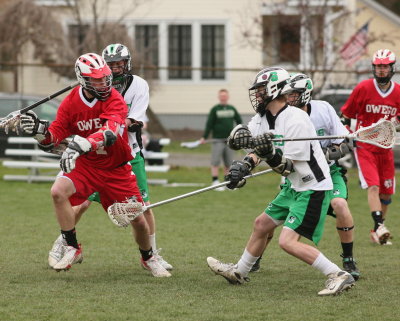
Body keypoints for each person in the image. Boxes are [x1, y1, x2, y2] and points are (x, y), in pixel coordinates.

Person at [19, 52, 171, 277]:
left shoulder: (114, 99)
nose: (103, 83)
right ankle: (72, 246)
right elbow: (56, 134)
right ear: (83, 79)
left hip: (115, 167)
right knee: (58, 192)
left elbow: (110, 132)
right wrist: (40, 133)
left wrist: (84, 143)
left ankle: (148, 257)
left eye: (105, 77)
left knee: (138, 219)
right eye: (96, 79)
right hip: (87, 165)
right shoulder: (71, 101)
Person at [207, 67, 355, 296]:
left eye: (260, 90)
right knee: (261, 225)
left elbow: (288, 167)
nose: (256, 95)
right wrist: (242, 168)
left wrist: (268, 154)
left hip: (312, 186)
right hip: (295, 186)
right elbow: (255, 151)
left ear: (274, 90)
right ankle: (240, 271)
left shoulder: (297, 118)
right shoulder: (261, 118)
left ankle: (338, 274)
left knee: (287, 242)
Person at [250, 73, 359, 280]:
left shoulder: (323, 109)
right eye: (288, 93)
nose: (289, 97)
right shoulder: (281, 114)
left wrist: (328, 153)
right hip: (294, 175)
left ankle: (348, 258)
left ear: (305, 94)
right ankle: (253, 259)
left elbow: (345, 142)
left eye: (294, 94)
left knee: (340, 205)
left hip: (327, 172)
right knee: (271, 217)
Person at [341, 49, 400, 245]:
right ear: (373, 68)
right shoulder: (363, 88)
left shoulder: (398, 91)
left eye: (385, 66)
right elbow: (346, 114)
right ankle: (380, 226)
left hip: (386, 147)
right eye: (378, 66)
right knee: (373, 186)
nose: (381, 70)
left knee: (387, 192)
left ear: (392, 68)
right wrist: (347, 133)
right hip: (365, 145)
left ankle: (376, 230)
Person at [200, 89, 242, 191]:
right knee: (215, 161)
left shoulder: (232, 109)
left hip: (229, 141)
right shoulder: (215, 109)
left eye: (225, 96)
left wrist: (240, 134)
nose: (223, 97)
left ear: (228, 97)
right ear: (219, 97)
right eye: (221, 96)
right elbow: (209, 124)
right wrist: (204, 137)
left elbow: (239, 121)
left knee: (228, 163)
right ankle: (215, 181)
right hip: (217, 140)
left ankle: (227, 182)